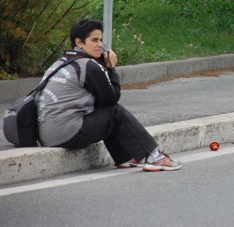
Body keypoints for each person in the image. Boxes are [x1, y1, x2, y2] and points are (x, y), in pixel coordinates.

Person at [35, 18, 182, 172]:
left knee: (104, 112)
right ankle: (153, 157)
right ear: (79, 42)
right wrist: (111, 67)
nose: (100, 45)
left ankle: (125, 158)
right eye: (94, 40)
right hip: (66, 133)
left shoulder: (60, 63)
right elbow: (111, 98)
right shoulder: (88, 66)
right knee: (115, 112)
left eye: (101, 40)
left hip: (47, 134)